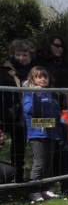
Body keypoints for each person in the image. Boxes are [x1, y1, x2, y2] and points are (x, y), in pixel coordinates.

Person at [22, 67, 61, 202]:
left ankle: (45, 188)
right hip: (37, 134)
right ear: (32, 79)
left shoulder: (50, 93)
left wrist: (57, 131)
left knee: (49, 162)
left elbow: (54, 114)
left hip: (51, 133)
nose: (43, 79)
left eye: (45, 77)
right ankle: (34, 190)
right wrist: (35, 96)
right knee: (39, 162)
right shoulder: (29, 93)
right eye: (39, 77)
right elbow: (29, 110)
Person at [1, 39, 36, 181]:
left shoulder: (34, 72)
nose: (21, 58)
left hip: (23, 114)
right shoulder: (4, 70)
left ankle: (18, 176)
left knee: (19, 147)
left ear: (30, 56)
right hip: (5, 112)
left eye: (24, 55)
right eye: (18, 54)